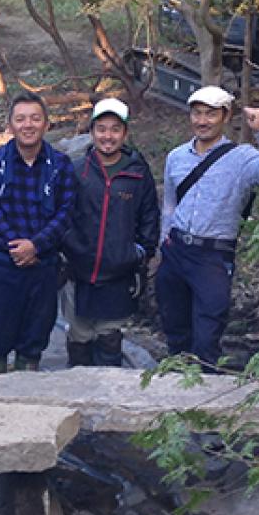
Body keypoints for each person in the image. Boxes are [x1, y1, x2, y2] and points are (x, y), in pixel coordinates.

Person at [155, 85, 259, 368]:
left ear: (225, 116)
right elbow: (169, 204)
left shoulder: (242, 158)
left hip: (213, 256)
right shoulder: (177, 157)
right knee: (174, 327)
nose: (202, 121)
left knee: (207, 334)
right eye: (197, 113)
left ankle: (205, 393)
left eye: (210, 114)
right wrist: (163, 243)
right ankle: (174, 392)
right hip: (176, 250)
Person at [0, 93, 76, 379]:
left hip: (44, 266)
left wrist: (36, 245)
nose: (28, 125)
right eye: (20, 119)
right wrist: (17, 247)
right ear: (10, 125)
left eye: (35, 118)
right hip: (2, 264)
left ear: (46, 124)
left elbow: (66, 212)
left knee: (33, 340)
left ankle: (25, 402)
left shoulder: (60, 164)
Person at [60, 98, 160, 367]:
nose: (108, 136)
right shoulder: (77, 170)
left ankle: (108, 394)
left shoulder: (138, 173)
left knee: (109, 336)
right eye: (101, 129)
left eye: (115, 129)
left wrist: (140, 251)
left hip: (118, 271)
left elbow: (149, 216)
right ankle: (77, 390)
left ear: (125, 133)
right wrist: (68, 247)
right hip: (79, 270)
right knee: (79, 334)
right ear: (92, 132)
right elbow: (62, 214)